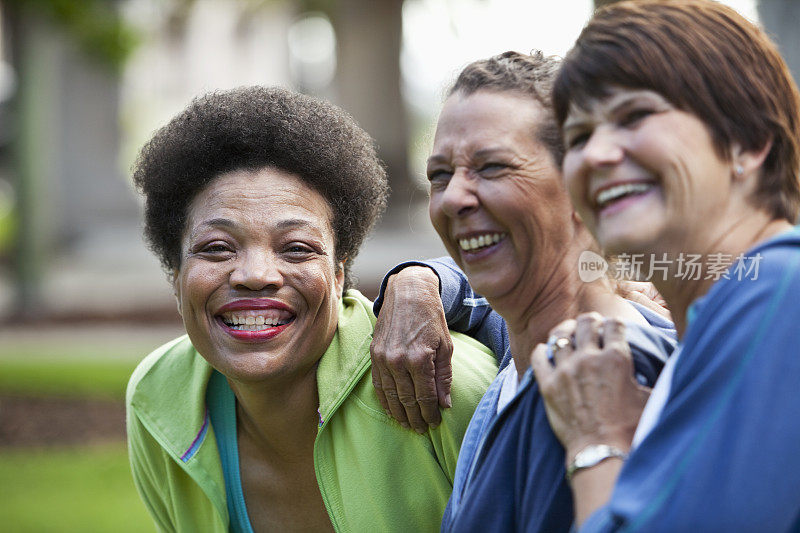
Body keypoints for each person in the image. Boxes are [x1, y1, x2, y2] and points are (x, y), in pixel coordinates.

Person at [125, 86, 497, 533]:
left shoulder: (446, 382)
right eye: (217, 248)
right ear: (176, 273)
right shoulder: (159, 399)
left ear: (340, 275)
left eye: (297, 248)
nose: (256, 274)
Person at [369, 52, 677, 532]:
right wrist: (416, 280)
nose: (452, 197)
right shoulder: (526, 358)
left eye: (491, 167)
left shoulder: (617, 381)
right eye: (439, 175)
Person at [530, 1, 800, 530]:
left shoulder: (774, 292)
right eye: (579, 137)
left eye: (634, 116)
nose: (597, 155)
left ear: (748, 141)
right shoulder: (713, 322)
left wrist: (596, 443)